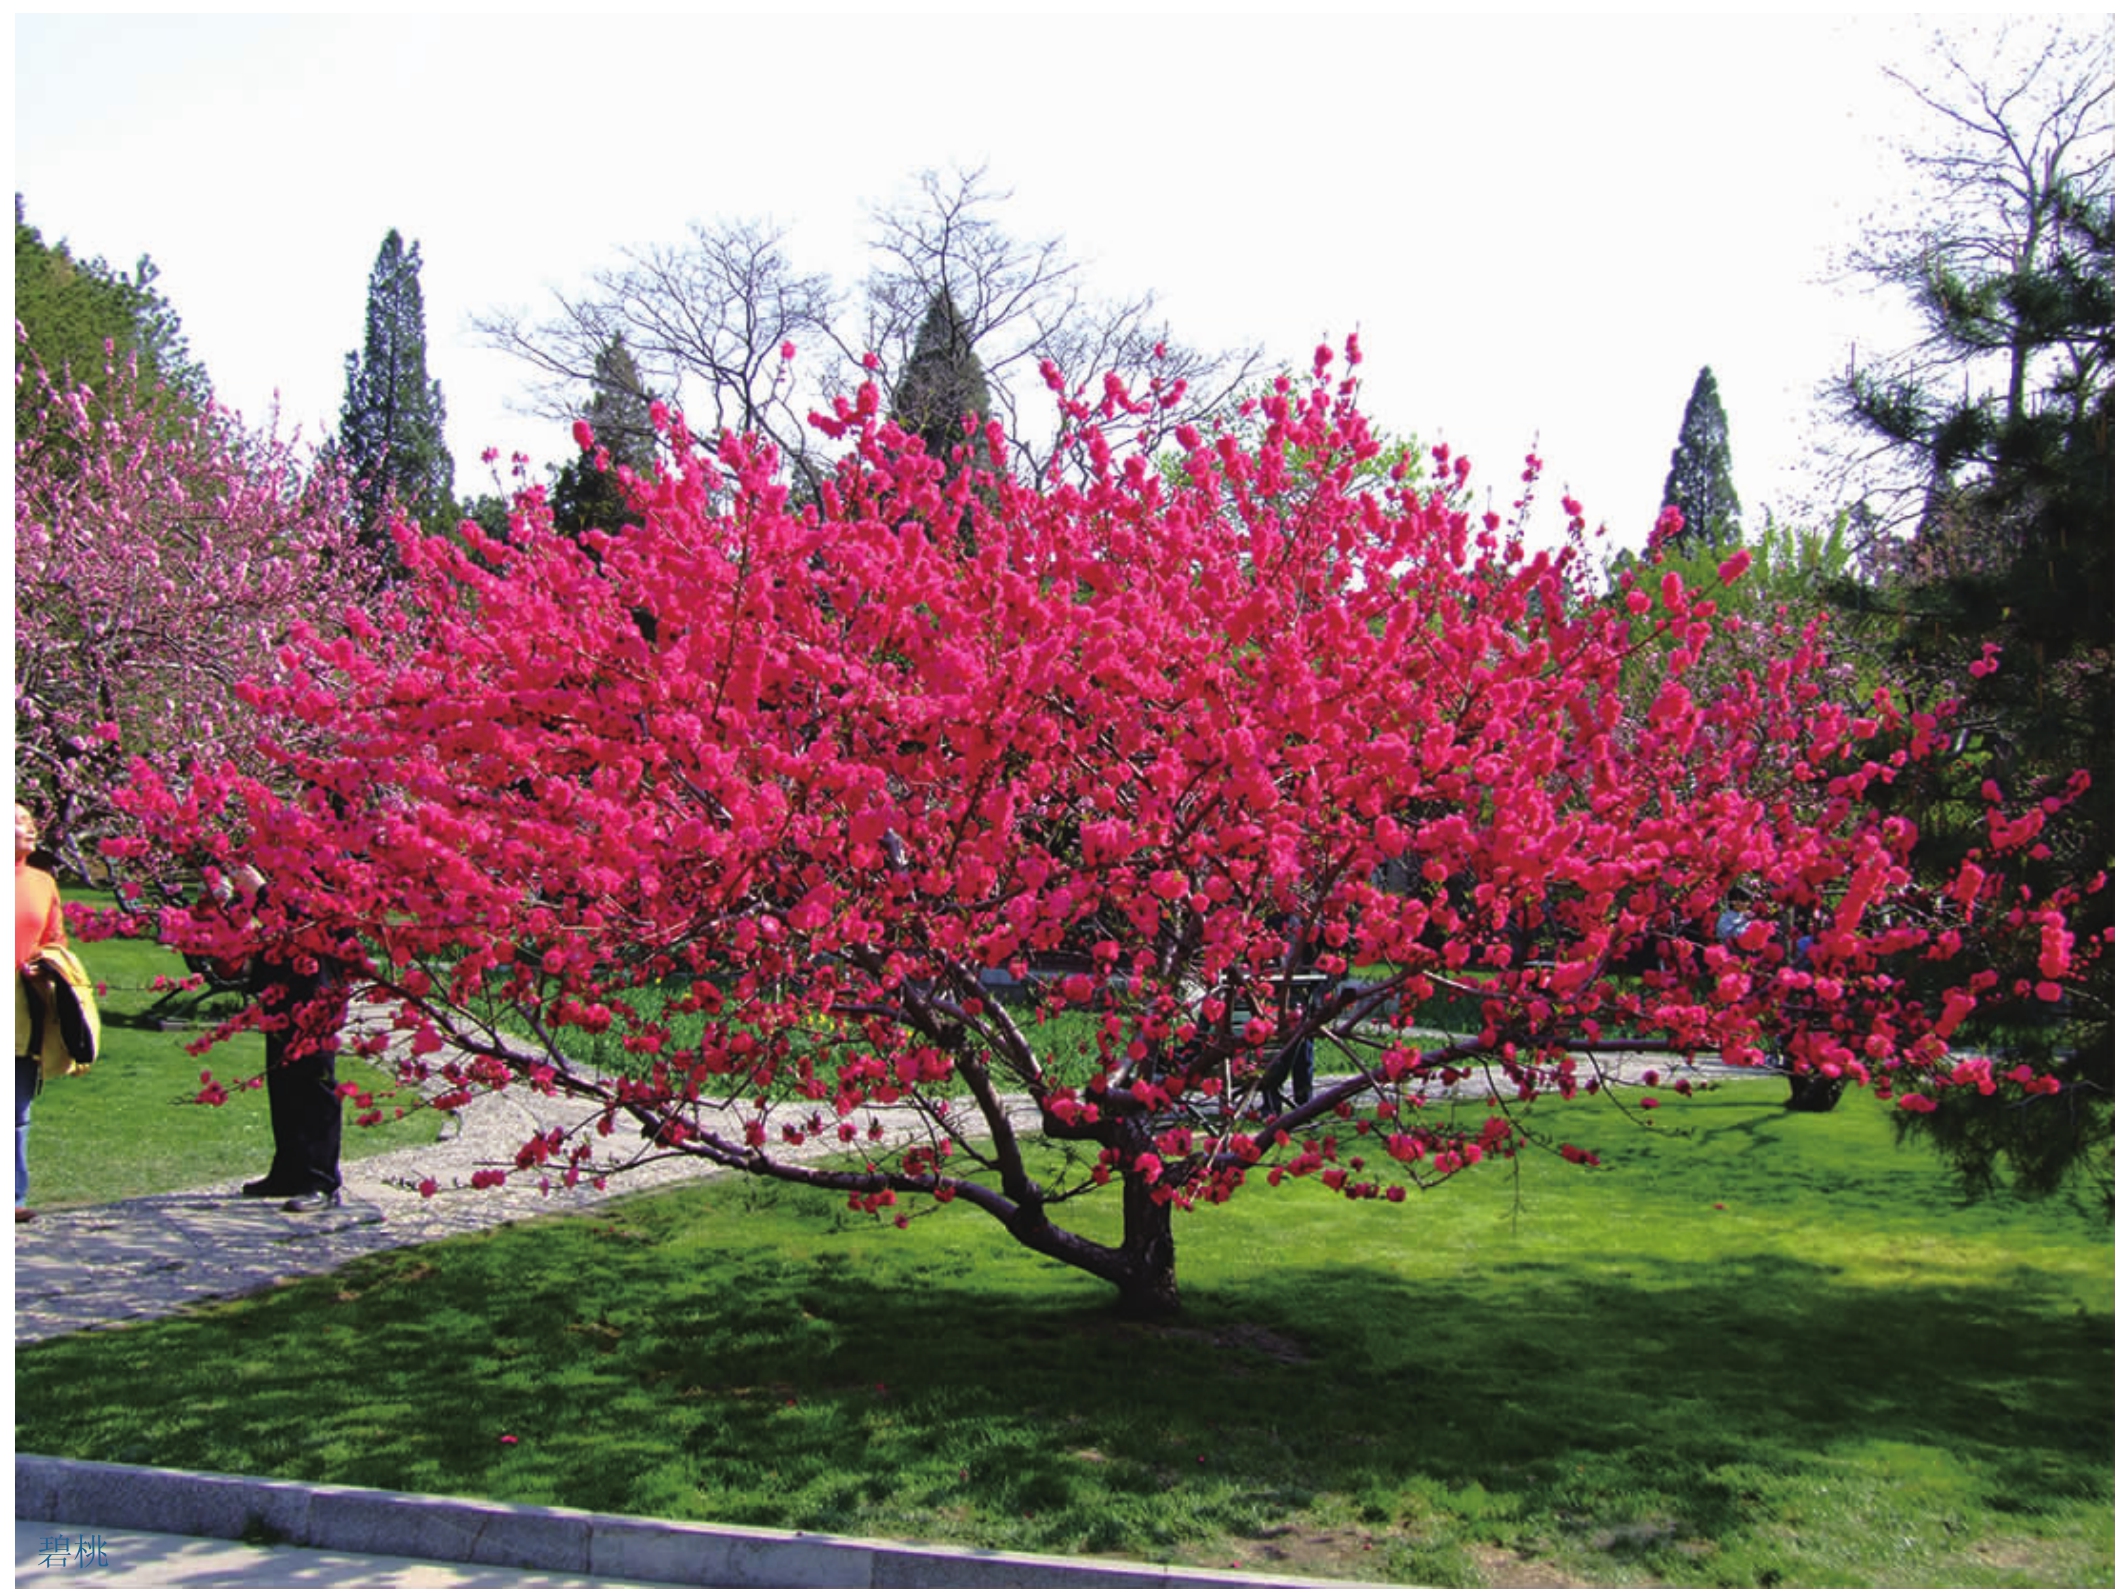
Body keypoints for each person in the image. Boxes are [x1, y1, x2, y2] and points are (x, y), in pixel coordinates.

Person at [224, 864, 347, 1213]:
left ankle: (320, 1180)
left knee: (315, 1084)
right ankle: (289, 1170)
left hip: (318, 988)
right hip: (282, 986)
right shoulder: (283, 857)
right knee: (283, 1080)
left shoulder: (333, 863)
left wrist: (262, 891)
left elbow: (308, 920)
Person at [14, 803, 67, 1221]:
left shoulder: (42, 882)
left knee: (16, 1107)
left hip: (24, 1004)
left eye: (30, 822)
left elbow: (56, 940)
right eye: (16, 820)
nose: (28, 828)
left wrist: (47, 963)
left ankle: (12, 1197)